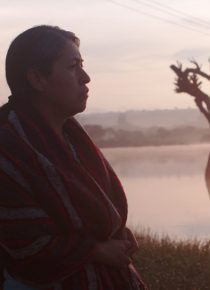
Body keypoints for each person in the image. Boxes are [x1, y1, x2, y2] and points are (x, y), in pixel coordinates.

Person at [0, 25, 146, 290]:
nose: (86, 77)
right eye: (73, 67)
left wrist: (116, 236)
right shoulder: (9, 149)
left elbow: (96, 215)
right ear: (37, 79)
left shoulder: (72, 140)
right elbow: (25, 244)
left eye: (83, 65)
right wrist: (97, 250)